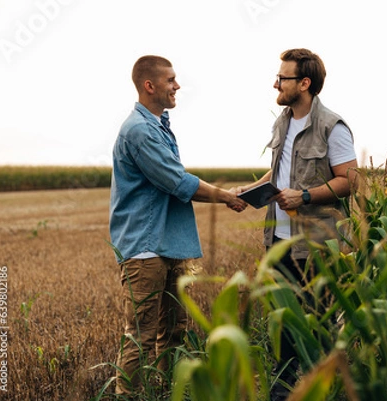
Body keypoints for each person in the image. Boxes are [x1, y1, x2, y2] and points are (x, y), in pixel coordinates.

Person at [108, 55, 246, 395]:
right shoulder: (140, 131)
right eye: (171, 80)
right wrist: (226, 196)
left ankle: (167, 391)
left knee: (174, 330)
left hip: (167, 244)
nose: (177, 86)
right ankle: (129, 397)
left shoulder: (157, 124)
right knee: (140, 335)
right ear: (149, 85)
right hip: (145, 249)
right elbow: (177, 182)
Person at [235, 48, 358, 400]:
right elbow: (277, 172)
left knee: (318, 331)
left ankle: (327, 390)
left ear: (304, 83)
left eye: (283, 77)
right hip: (279, 244)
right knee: (283, 328)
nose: (276, 83)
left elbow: (350, 180)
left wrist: (303, 197)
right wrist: (249, 190)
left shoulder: (332, 127)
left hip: (316, 247)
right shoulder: (282, 121)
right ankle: (283, 394)